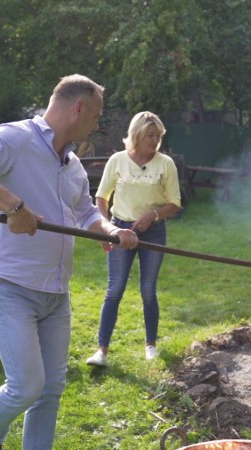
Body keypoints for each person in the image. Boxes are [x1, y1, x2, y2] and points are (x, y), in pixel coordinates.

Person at [0, 74, 138, 450]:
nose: (98, 125)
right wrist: (15, 207)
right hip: (9, 284)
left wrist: (112, 231)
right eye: (97, 116)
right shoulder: (15, 138)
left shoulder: (72, 165)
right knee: (27, 385)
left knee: (50, 390)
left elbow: (87, 213)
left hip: (56, 292)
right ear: (79, 108)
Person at [86, 111, 181, 367]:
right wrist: (107, 230)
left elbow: (174, 204)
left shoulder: (165, 164)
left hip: (153, 232)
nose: (155, 140)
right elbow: (102, 197)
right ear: (137, 134)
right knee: (114, 290)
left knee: (148, 290)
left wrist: (154, 215)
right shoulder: (117, 160)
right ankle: (102, 351)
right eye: (151, 135)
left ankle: (151, 346)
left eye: (158, 136)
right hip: (119, 230)